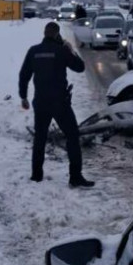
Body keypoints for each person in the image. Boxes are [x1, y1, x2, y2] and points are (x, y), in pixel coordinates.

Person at [19, 22, 94, 188]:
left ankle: (36, 175)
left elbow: (24, 75)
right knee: (72, 136)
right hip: (60, 103)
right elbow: (80, 67)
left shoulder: (33, 51)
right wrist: (70, 49)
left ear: (44, 33)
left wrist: (23, 96)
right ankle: (75, 177)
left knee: (40, 138)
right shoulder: (61, 51)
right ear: (56, 35)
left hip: (41, 102)